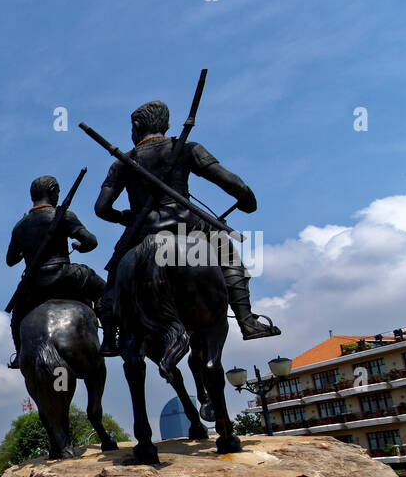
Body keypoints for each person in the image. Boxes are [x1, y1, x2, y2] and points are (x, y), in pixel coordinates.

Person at [94, 99, 279, 355]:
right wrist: (246, 198)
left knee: (114, 276)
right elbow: (231, 182)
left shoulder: (122, 162)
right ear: (166, 124)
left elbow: (101, 209)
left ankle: (109, 337)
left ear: (136, 126)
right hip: (187, 224)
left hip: (142, 230)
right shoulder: (186, 148)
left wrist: (126, 217)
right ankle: (247, 321)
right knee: (227, 254)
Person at [5, 175, 107, 368]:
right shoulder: (63, 215)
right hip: (65, 274)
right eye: (57, 192)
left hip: (34, 283)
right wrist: (80, 246)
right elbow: (91, 242)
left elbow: (11, 260)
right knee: (103, 290)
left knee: (17, 316)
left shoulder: (20, 226)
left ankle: (19, 354)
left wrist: (27, 250)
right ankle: (110, 337)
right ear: (52, 191)